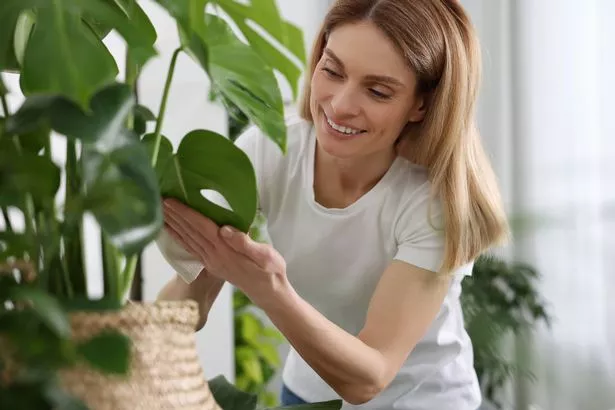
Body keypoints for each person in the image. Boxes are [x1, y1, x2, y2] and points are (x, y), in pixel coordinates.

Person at [156, 0, 509, 408]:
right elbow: (190, 303)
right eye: (332, 70)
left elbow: (370, 377)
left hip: (419, 400)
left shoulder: (434, 202)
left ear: (421, 105)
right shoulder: (273, 150)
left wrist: (267, 287)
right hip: (308, 393)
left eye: (377, 91)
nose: (340, 105)